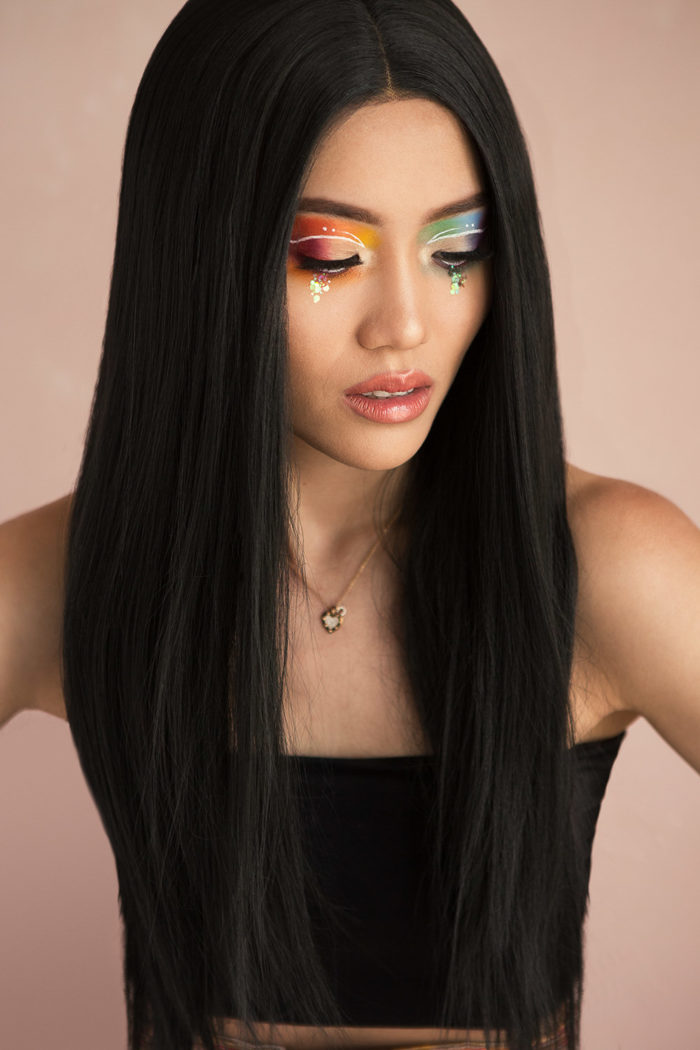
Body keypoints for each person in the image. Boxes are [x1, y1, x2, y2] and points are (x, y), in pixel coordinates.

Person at [1, 0, 698, 1048]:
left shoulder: (607, 563)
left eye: (458, 246)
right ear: (198, 253)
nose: (406, 324)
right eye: (328, 255)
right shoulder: (62, 576)